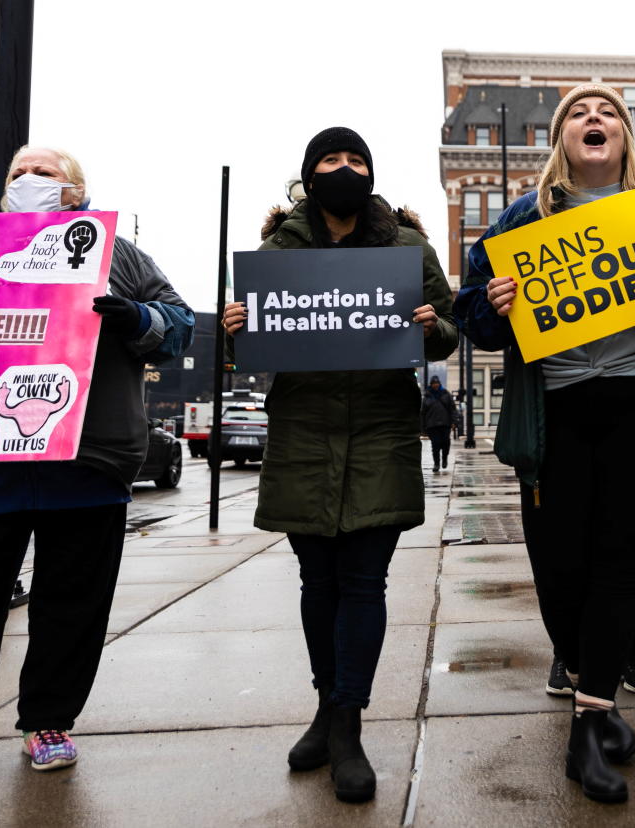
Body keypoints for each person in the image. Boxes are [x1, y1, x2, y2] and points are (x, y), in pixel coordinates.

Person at [454, 85, 635, 804]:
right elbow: (473, 321)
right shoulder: (524, 218)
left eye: (608, 112)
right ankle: (598, 695)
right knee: (559, 564)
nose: (595, 119)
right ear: (561, 138)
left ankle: (590, 719)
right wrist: (493, 306)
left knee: (621, 554)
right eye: (579, 114)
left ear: (624, 136)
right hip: (555, 412)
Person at [0, 146, 194, 790]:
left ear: (76, 192)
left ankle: (49, 721)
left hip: (87, 461)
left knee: (70, 605)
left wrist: (139, 318)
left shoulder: (117, 253)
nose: (28, 181)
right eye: (17, 174)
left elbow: (181, 326)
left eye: (44, 173)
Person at [222, 127, 457, 803]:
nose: (345, 168)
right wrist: (238, 328)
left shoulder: (407, 246)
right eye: (332, 159)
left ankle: (348, 721)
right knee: (316, 580)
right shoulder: (279, 249)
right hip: (303, 430)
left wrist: (428, 327)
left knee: (364, 580)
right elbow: (253, 345)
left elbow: (447, 328)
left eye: (357, 159)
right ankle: (326, 707)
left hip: (380, 429)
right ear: (310, 172)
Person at [421, 376, 457, 472]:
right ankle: (436, 463)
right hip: (432, 425)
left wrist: (454, 422)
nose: (435, 385)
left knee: (446, 443)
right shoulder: (427, 396)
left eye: (437, 383)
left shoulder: (446, 394)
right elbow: (423, 413)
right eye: (433, 383)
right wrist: (423, 428)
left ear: (439, 384)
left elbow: (452, 409)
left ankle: (444, 458)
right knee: (435, 445)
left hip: (445, 424)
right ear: (431, 385)